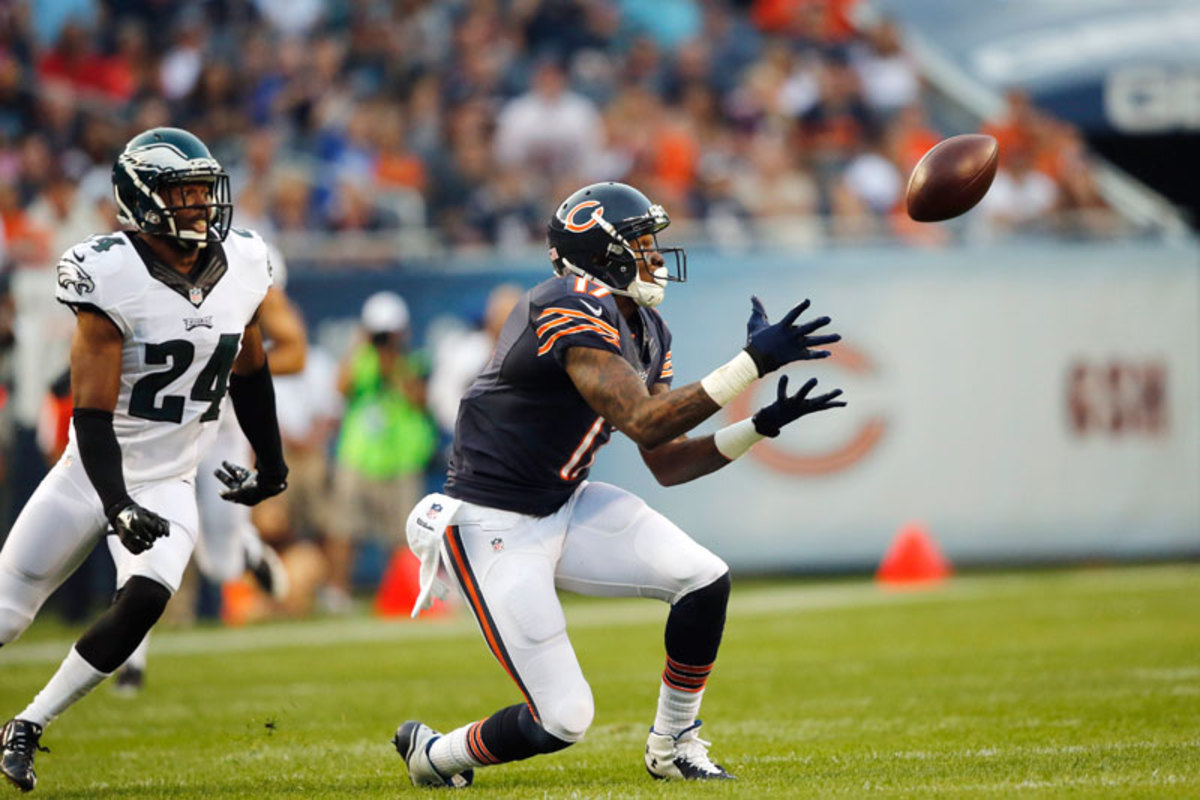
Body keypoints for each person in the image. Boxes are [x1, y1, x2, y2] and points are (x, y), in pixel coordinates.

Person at [392, 181, 844, 786]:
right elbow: (640, 419)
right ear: (599, 253)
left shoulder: (649, 329)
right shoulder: (566, 300)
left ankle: (674, 743)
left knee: (704, 580)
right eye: (641, 241)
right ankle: (438, 756)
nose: (655, 254)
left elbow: (665, 458)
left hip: (564, 502)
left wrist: (758, 426)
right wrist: (752, 364)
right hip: (491, 523)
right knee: (564, 720)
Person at [0, 127, 288, 792]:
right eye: (181, 194)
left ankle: (28, 725)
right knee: (9, 617)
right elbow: (92, 414)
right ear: (142, 200)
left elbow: (250, 369)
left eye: (201, 191)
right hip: (89, 474)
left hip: (170, 478)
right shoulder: (110, 274)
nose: (199, 206)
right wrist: (114, 503)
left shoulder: (243, 262)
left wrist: (271, 465)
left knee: (147, 596)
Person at [112, 276, 306, 694]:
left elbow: (294, 352)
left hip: (221, 426)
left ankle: (247, 549)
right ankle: (132, 662)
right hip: (157, 427)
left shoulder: (241, 265)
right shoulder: (136, 265)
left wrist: (222, 359)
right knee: (137, 535)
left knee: (221, 563)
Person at [324, 291, 436, 611]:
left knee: (403, 538)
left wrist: (396, 363)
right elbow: (341, 387)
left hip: (400, 460)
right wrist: (361, 345)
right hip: (359, 458)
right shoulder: (361, 359)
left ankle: (400, 594)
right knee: (344, 530)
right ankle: (337, 594)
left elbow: (421, 400)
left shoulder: (413, 361)